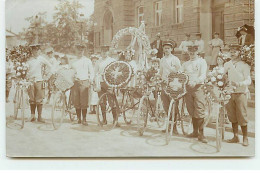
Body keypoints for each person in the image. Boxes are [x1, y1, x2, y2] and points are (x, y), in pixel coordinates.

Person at [224, 44, 251, 146]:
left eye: (234, 51)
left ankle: (245, 137)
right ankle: (235, 136)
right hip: (230, 92)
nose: (232, 53)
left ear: (239, 52)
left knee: (242, 115)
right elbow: (222, 74)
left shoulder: (244, 65)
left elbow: (248, 80)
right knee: (232, 115)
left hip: (241, 92)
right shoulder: (227, 64)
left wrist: (240, 83)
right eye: (231, 51)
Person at [181, 45, 208, 143]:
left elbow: (203, 75)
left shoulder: (202, 62)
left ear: (197, 52)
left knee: (199, 109)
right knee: (191, 109)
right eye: (190, 53)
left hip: (198, 88)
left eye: (194, 53)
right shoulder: (185, 64)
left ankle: (201, 134)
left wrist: (196, 81)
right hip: (188, 89)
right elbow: (181, 73)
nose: (192, 54)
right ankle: (195, 132)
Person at [27, 44, 54, 123]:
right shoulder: (29, 60)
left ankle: (39, 116)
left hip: (39, 80)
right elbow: (26, 69)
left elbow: (51, 66)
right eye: (34, 50)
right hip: (31, 81)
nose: (35, 52)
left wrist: (47, 76)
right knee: (32, 99)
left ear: (39, 51)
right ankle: (32, 116)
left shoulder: (41, 59)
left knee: (39, 99)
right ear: (32, 51)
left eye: (37, 50)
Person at [160, 40, 181, 134]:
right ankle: (168, 125)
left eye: (168, 48)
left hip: (173, 84)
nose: (167, 50)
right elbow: (161, 72)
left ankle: (174, 126)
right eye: (165, 48)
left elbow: (179, 71)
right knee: (166, 105)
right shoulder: (162, 60)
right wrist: (160, 78)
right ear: (163, 50)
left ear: (172, 49)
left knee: (173, 105)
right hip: (164, 84)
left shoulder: (175, 59)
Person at [71, 44, 94, 126]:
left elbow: (91, 71)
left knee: (84, 101)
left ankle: (84, 119)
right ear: (76, 51)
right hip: (75, 82)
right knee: (76, 101)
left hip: (84, 82)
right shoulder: (73, 61)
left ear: (83, 51)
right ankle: (78, 119)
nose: (80, 52)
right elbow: (70, 71)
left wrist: (90, 80)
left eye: (81, 50)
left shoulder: (87, 60)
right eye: (78, 50)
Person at [97, 46, 119, 126]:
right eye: (103, 51)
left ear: (108, 52)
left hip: (109, 83)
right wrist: (96, 80)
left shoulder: (112, 61)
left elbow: (116, 71)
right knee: (102, 102)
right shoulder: (98, 61)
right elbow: (96, 72)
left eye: (106, 51)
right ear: (101, 52)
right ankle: (104, 120)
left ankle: (115, 120)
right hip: (101, 83)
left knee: (112, 102)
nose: (104, 53)